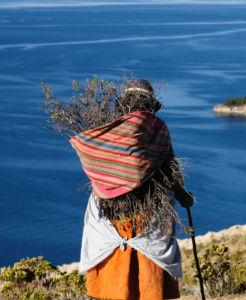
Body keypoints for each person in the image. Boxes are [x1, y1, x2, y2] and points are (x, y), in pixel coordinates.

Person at [71, 79, 193, 300]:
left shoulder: (108, 129)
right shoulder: (158, 128)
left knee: (115, 282)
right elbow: (170, 167)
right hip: (150, 214)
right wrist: (183, 196)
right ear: (149, 104)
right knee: (148, 281)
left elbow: (97, 164)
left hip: (111, 216)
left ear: (124, 102)